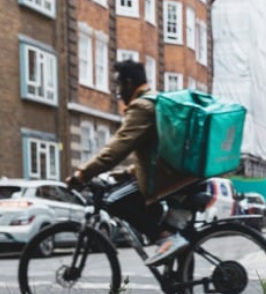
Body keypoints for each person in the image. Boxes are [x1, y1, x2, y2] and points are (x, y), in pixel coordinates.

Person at [66, 60, 190, 266]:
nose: (118, 93)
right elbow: (156, 150)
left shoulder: (142, 106)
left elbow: (116, 149)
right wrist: (128, 173)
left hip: (164, 179)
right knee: (167, 226)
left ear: (129, 83)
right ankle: (178, 292)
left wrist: (82, 174)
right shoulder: (155, 101)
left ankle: (166, 238)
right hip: (177, 175)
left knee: (115, 200)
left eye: (119, 86)